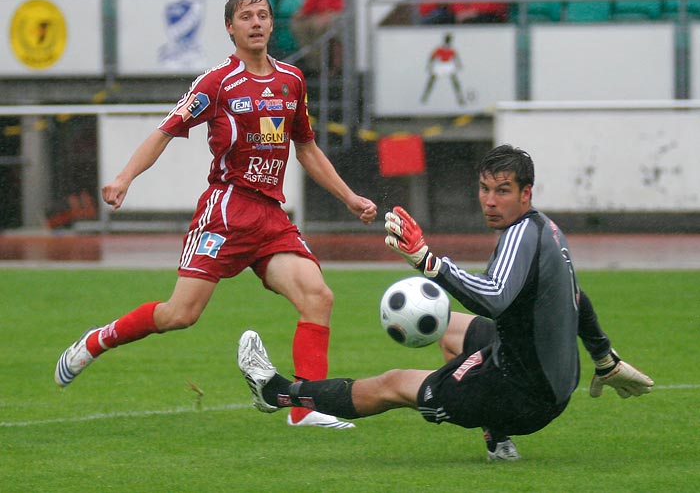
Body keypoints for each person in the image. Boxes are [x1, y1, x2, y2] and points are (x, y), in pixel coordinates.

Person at [54, 0, 378, 430]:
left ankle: (305, 408)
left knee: (318, 296)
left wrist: (350, 197)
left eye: (263, 15)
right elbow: (165, 131)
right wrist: (125, 177)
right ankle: (96, 341)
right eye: (247, 17)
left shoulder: (291, 81)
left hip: (271, 216)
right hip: (226, 212)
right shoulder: (217, 83)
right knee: (179, 315)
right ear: (230, 28)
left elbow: (306, 148)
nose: (258, 23)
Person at [237, 144, 654, 459]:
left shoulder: (520, 235)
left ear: (527, 193)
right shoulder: (547, 230)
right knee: (447, 324)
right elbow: (576, 298)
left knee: (394, 384)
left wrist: (427, 261)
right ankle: (495, 435)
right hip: (544, 373)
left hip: (524, 395)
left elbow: (493, 299)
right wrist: (606, 361)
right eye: (485, 189)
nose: (490, 201)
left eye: (503, 191)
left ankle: (277, 393)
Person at [290, 0, 360, 74]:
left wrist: (331, 11)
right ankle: (315, 64)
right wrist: (305, 11)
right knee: (298, 25)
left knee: (320, 26)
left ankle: (326, 66)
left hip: (340, 13)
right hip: (320, 13)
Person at [420, 33, 466, 106]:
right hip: (441, 65)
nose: (449, 41)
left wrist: (459, 64)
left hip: (448, 65)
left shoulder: (451, 49)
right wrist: (429, 65)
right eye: (448, 39)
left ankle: (460, 98)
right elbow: (432, 57)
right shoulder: (440, 49)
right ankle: (425, 96)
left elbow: (456, 57)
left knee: (455, 81)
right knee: (432, 80)